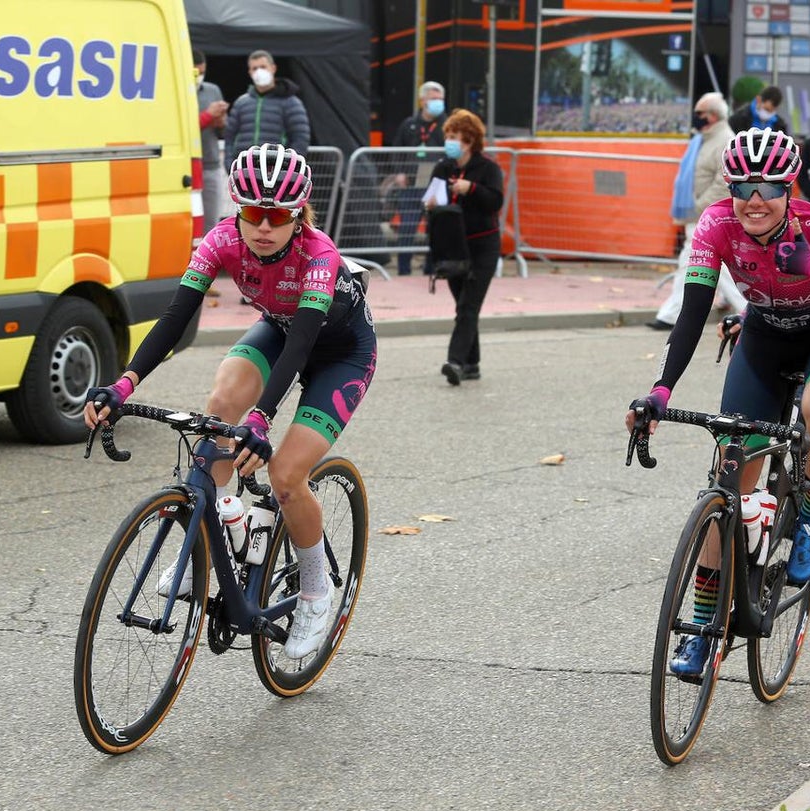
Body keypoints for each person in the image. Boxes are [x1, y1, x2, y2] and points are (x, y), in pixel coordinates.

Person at [625, 128, 810, 675]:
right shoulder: (716, 227)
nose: (755, 198)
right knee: (727, 484)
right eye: (743, 185)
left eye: (769, 186)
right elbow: (691, 313)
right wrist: (660, 391)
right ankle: (705, 629)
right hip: (764, 340)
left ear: (790, 187)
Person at [84, 144, 376, 661]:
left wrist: (261, 419)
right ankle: (219, 524)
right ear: (238, 209)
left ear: (299, 215)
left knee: (286, 475)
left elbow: (304, 345)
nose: (263, 226)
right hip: (279, 330)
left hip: (338, 354)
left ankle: (315, 591)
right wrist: (123, 385)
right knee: (218, 407)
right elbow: (175, 319)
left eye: (278, 216)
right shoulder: (220, 240)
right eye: (253, 213)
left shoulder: (318, 255)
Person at [647, 92, 747, 331]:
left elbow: (723, 183)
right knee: (692, 262)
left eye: (700, 113)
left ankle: (748, 311)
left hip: (709, 216)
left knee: (713, 266)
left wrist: (700, 207)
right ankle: (672, 314)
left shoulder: (724, 140)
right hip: (699, 215)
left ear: (712, 116)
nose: (696, 117)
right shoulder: (703, 139)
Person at [424, 109, 504, 386]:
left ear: (469, 140)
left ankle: (455, 362)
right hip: (454, 247)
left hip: (483, 246)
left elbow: (495, 201)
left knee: (469, 306)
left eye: (454, 136)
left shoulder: (488, 168)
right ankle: (472, 363)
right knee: (463, 305)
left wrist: (471, 188)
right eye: (447, 135)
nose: (449, 140)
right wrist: (431, 205)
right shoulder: (443, 167)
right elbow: (431, 200)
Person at [389, 82, 447, 276]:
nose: (438, 103)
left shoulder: (447, 126)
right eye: (433, 99)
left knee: (436, 228)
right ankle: (403, 270)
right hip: (411, 185)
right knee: (407, 228)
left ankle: (431, 269)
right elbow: (396, 150)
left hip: (436, 184)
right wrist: (399, 172)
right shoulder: (409, 124)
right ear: (423, 100)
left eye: (440, 99)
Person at [223, 50, 311, 175]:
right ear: (250, 72)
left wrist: (288, 168)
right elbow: (229, 136)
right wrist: (230, 164)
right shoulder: (241, 103)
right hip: (244, 170)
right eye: (254, 68)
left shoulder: (291, 102)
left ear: (273, 68)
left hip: (275, 170)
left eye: (263, 67)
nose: (259, 71)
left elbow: (300, 138)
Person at [194, 50, 229, 233]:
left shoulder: (212, 90)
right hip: (187, 168)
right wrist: (208, 116)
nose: (199, 77)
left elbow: (224, 130)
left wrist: (221, 122)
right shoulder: (176, 93)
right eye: (195, 73)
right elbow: (182, 129)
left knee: (211, 224)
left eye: (202, 72)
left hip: (210, 165)